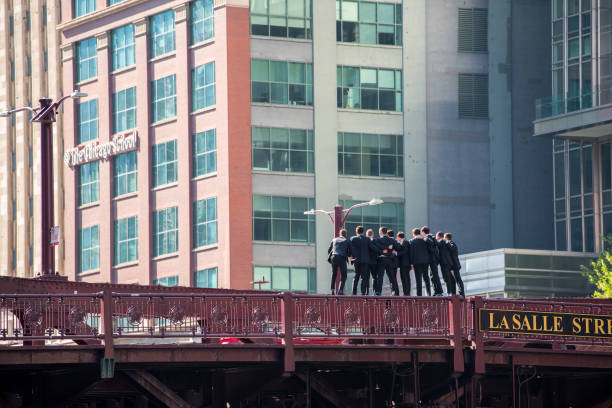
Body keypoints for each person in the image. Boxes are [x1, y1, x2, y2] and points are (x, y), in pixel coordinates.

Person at [373, 227, 401, 295]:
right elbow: (399, 247)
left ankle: (378, 292)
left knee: (380, 276)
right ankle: (396, 292)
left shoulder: (378, 240)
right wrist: (389, 248)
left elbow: (377, 247)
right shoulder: (391, 240)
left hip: (381, 260)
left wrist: (383, 249)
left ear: (381, 232)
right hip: (389, 259)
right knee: (392, 277)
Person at [349, 225, 375, 295]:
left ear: (356, 231)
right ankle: (363, 293)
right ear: (363, 232)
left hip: (356, 260)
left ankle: (354, 293)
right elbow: (372, 248)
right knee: (363, 277)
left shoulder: (353, 239)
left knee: (356, 276)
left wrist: (350, 257)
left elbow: (349, 249)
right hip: (365, 261)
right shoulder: (367, 239)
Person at [421, 226, 444, 296]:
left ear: (423, 232)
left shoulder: (428, 238)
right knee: (432, 276)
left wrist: (424, 238)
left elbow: (432, 244)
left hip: (432, 259)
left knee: (435, 275)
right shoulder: (432, 237)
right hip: (433, 259)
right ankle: (436, 291)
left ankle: (439, 291)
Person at [328, 229, 351, 295]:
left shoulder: (334, 239)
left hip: (334, 257)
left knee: (334, 273)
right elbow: (350, 251)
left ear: (340, 234)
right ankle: (340, 290)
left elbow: (329, 250)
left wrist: (331, 257)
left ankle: (332, 290)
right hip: (341, 257)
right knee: (344, 274)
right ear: (346, 234)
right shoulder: (347, 241)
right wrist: (350, 256)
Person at [409, 228, 431, 296]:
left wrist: (411, 263)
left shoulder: (412, 241)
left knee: (418, 279)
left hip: (416, 262)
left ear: (413, 234)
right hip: (425, 262)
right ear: (420, 233)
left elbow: (411, 253)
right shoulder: (424, 240)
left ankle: (419, 295)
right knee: (426, 278)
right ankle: (428, 294)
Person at [396, 232, 412, 296]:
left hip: (405, 263)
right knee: (406, 278)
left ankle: (406, 292)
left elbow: (405, 251)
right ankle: (407, 292)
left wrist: (397, 253)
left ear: (399, 237)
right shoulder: (405, 242)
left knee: (405, 278)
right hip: (406, 263)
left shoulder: (405, 242)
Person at [365, 229, 378, 295]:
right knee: (374, 277)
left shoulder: (365, 241)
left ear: (366, 234)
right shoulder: (375, 241)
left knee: (367, 277)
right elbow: (377, 250)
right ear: (372, 234)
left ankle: (367, 292)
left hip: (366, 262)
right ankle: (375, 292)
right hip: (373, 261)